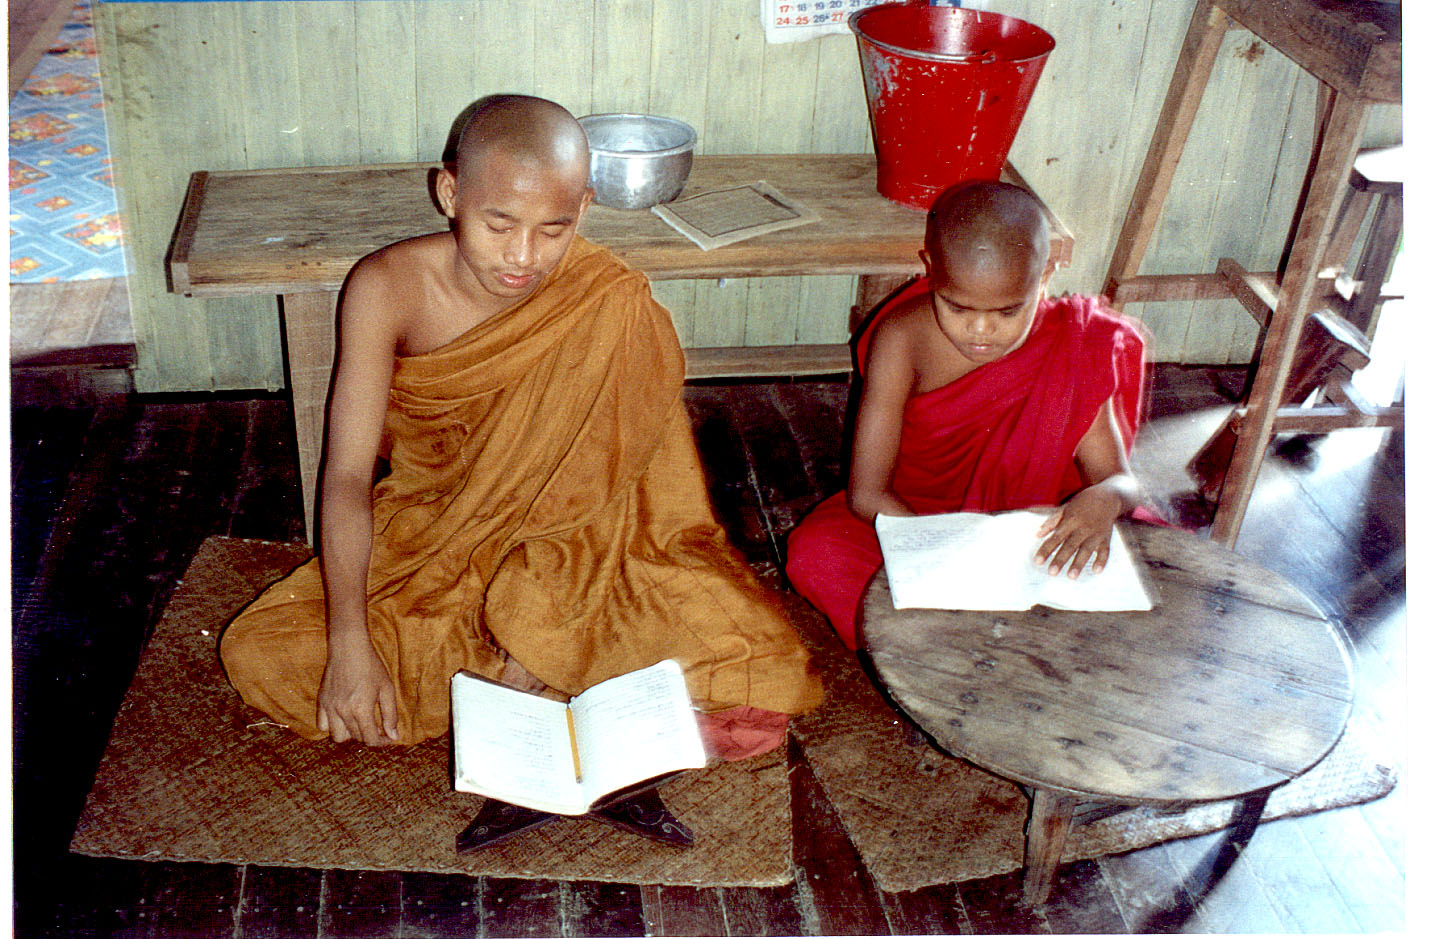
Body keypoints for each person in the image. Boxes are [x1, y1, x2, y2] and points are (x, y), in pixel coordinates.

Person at [220, 95, 822, 752]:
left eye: (553, 229)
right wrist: (349, 644)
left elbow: (624, 498)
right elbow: (344, 475)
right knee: (266, 652)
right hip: (435, 534)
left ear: (585, 210)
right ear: (450, 193)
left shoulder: (609, 301)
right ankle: (556, 680)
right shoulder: (386, 288)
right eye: (498, 224)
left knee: (746, 662)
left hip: (580, 550)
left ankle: (531, 668)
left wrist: (545, 624)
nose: (523, 256)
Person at [785, 179, 1148, 649]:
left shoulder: (1072, 343)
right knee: (818, 555)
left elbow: (1120, 480)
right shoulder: (902, 339)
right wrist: (950, 553)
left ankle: (953, 642)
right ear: (930, 271)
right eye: (956, 307)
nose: (981, 331)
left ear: (1044, 278)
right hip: (916, 520)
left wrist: (1104, 500)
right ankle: (985, 644)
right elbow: (867, 495)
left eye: (1007, 311)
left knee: (1134, 563)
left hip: (1027, 529)